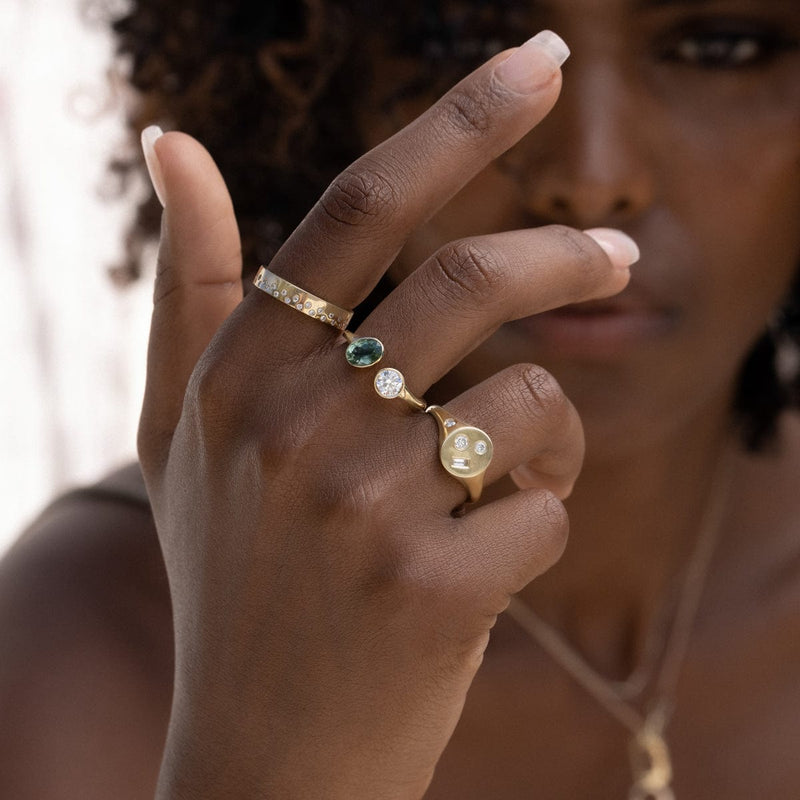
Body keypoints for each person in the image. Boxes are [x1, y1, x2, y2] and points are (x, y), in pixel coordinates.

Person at [1, 1, 800, 797]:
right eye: (460, 37)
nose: (592, 183)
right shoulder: (81, 645)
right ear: (305, 88)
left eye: (720, 47)